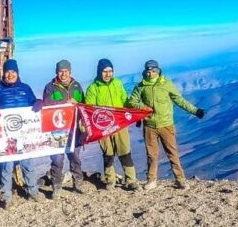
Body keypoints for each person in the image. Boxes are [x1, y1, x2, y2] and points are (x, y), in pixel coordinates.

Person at [128, 59, 205, 191]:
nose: (151, 73)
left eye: (153, 71)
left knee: (172, 153)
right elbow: (132, 101)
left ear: (158, 71)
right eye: (148, 71)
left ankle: (180, 180)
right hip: (149, 126)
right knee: (151, 155)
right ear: (145, 71)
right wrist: (143, 107)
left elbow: (179, 100)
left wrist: (195, 111)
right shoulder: (140, 86)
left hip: (166, 125)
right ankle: (151, 180)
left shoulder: (166, 84)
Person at [0, 59, 44, 208]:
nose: (10, 75)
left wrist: (38, 102)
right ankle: (6, 196)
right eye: (8, 72)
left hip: (24, 134)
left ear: (17, 73)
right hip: (6, 135)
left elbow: (33, 102)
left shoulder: (25, 88)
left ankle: (33, 191)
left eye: (13, 72)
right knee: (6, 165)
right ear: (3, 73)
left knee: (27, 163)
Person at [84, 58, 140, 190]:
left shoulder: (117, 84)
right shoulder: (93, 88)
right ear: (99, 72)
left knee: (124, 151)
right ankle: (110, 180)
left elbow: (124, 101)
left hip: (120, 124)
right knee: (108, 153)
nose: (108, 74)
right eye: (105, 71)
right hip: (102, 126)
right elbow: (89, 107)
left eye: (110, 71)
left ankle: (131, 180)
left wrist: (136, 112)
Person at [42, 59, 86, 198]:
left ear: (70, 72)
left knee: (75, 157)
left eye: (66, 71)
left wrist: (78, 104)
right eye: (61, 71)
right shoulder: (50, 87)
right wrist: (65, 103)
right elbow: (46, 104)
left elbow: (84, 104)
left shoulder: (77, 86)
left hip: (75, 129)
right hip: (57, 131)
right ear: (57, 72)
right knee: (57, 160)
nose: (63, 74)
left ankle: (78, 182)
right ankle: (57, 186)